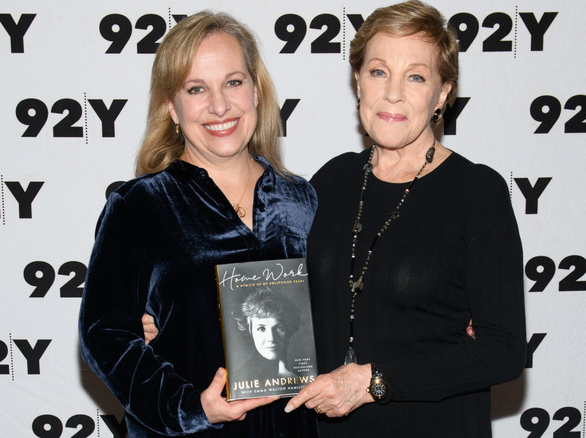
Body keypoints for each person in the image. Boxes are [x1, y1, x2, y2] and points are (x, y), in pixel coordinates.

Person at [284, 1, 527, 437]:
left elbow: (504, 351)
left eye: (415, 77)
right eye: (378, 72)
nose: (392, 93)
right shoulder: (332, 179)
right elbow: (284, 300)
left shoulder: (477, 193)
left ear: (442, 93)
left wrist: (373, 381)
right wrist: (166, 319)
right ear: (358, 81)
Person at [78, 10, 318, 438]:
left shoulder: (302, 199)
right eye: (196, 89)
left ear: (256, 90)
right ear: (171, 106)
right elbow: (105, 335)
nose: (219, 106)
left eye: (233, 82)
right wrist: (190, 407)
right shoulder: (140, 206)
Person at [236, 289, 301, 379]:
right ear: (250, 330)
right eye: (261, 328)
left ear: (289, 329)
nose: (271, 338)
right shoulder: (242, 377)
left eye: (279, 327)